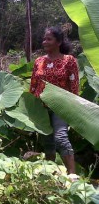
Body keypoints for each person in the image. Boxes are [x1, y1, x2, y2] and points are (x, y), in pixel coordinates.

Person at [30, 26, 79, 175]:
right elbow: (33, 85)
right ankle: (51, 175)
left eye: (49, 39)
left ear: (58, 42)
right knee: (47, 142)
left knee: (60, 138)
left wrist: (73, 105)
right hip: (41, 107)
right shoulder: (39, 61)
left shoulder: (68, 61)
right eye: (44, 39)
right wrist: (31, 107)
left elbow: (74, 85)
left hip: (61, 106)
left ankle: (72, 176)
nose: (45, 42)